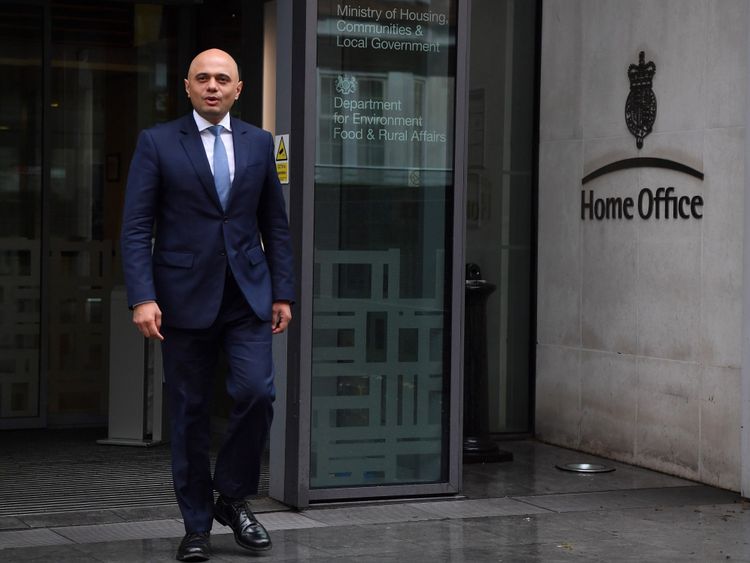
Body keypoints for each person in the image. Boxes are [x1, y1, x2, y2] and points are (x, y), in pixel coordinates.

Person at [120, 48, 295, 562]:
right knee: (190, 414)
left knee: (257, 393)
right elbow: (135, 228)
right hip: (181, 300)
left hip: (248, 296)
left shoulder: (260, 144)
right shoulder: (156, 143)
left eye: (223, 79)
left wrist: (282, 291)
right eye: (203, 78)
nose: (213, 86)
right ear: (187, 86)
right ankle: (196, 526)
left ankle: (232, 496)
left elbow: (275, 225)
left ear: (239, 89)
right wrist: (143, 296)